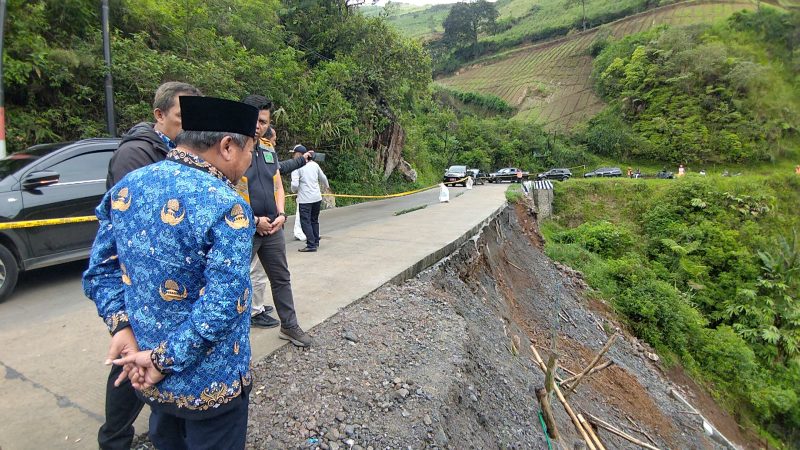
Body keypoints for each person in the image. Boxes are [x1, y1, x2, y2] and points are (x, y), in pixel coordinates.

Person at [84, 96, 260, 450]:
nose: (250, 160)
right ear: (228, 146)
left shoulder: (128, 188)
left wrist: (121, 326)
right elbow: (222, 306)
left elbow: (99, 271)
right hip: (208, 387)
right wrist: (164, 360)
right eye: (250, 150)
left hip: (150, 376)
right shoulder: (228, 205)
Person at [98, 81, 201, 450]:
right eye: (180, 118)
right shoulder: (136, 155)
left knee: (159, 363)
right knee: (130, 366)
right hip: (141, 287)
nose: (187, 127)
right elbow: (132, 231)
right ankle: (114, 440)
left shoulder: (179, 151)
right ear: (159, 116)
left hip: (172, 287)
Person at [240, 94, 314, 347]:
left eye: (264, 122)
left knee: (281, 278)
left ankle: (290, 326)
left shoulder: (267, 147)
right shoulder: (231, 147)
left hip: (272, 227)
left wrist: (281, 214)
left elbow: (277, 185)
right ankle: (229, 339)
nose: (260, 126)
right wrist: (253, 220)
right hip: (244, 229)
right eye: (257, 120)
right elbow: (226, 191)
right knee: (231, 281)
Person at [107, 81, 202, 189]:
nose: (191, 123)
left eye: (195, 117)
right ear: (160, 115)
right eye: (182, 116)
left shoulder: (195, 151)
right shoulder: (133, 154)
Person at [291, 144, 329, 252]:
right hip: (317, 198)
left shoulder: (296, 167)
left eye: (294, 154)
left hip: (305, 199)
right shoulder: (314, 165)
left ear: (298, 154)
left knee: (305, 222)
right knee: (314, 220)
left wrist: (295, 191)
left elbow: (294, 185)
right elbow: (324, 178)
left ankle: (311, 244)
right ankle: (316, 240)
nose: (293, 156)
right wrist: (327, 187)